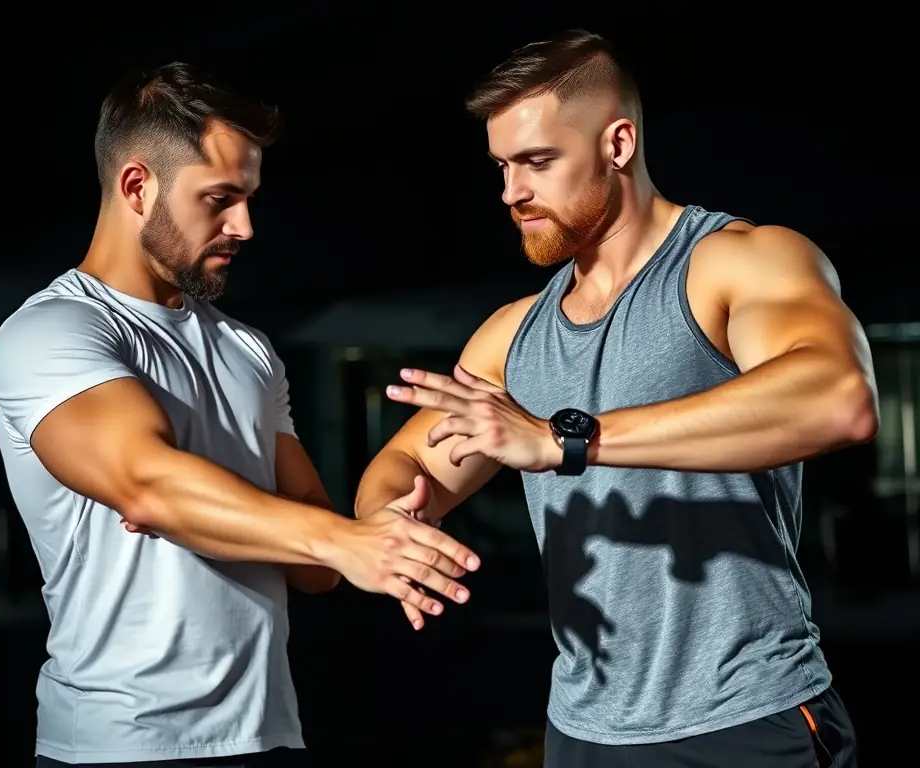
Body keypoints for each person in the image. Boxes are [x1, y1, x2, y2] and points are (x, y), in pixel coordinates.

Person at [354, 30, 876, 768]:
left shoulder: (735, 262)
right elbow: (407, 467)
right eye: (502, 167)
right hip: (584, 730)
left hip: (744, 718)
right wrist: (391, 527)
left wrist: (565, 438)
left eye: (537, 162)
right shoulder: (512, 336)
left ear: (618, 143)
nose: (512, 193)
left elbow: (838, 398)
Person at [0, 62, 480, 768]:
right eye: (219, 199)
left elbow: (317, 562)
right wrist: (320, 535)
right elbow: (151, 487)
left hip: (269, 735)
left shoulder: (247, 348)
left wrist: (376, 531)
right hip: (118, 745)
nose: (244, 225)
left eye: (248, 198)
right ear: (136, 186)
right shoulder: (55, 332)